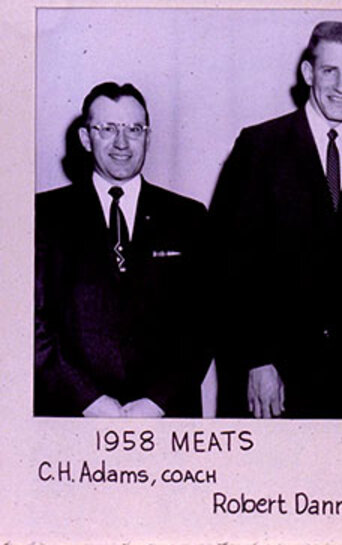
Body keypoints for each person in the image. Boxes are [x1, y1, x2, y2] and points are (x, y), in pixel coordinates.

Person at [209, 21, 342, 418]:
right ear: (307, 73)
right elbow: (225, 266)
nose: (341, 85)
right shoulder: (258, 147)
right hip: (273, 385)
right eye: (329, 71)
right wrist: (256, 359)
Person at [35, 82, 210, 417]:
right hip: (72, 416)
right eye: (108, 129)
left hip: (165, 417)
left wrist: (156, 402)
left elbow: (203, 320)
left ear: (148, 136)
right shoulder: (43, 215)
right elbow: (33, 323)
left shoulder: (188, 217)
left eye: (133, 129)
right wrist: (88, 401)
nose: (121, 142)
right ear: (86, 139)